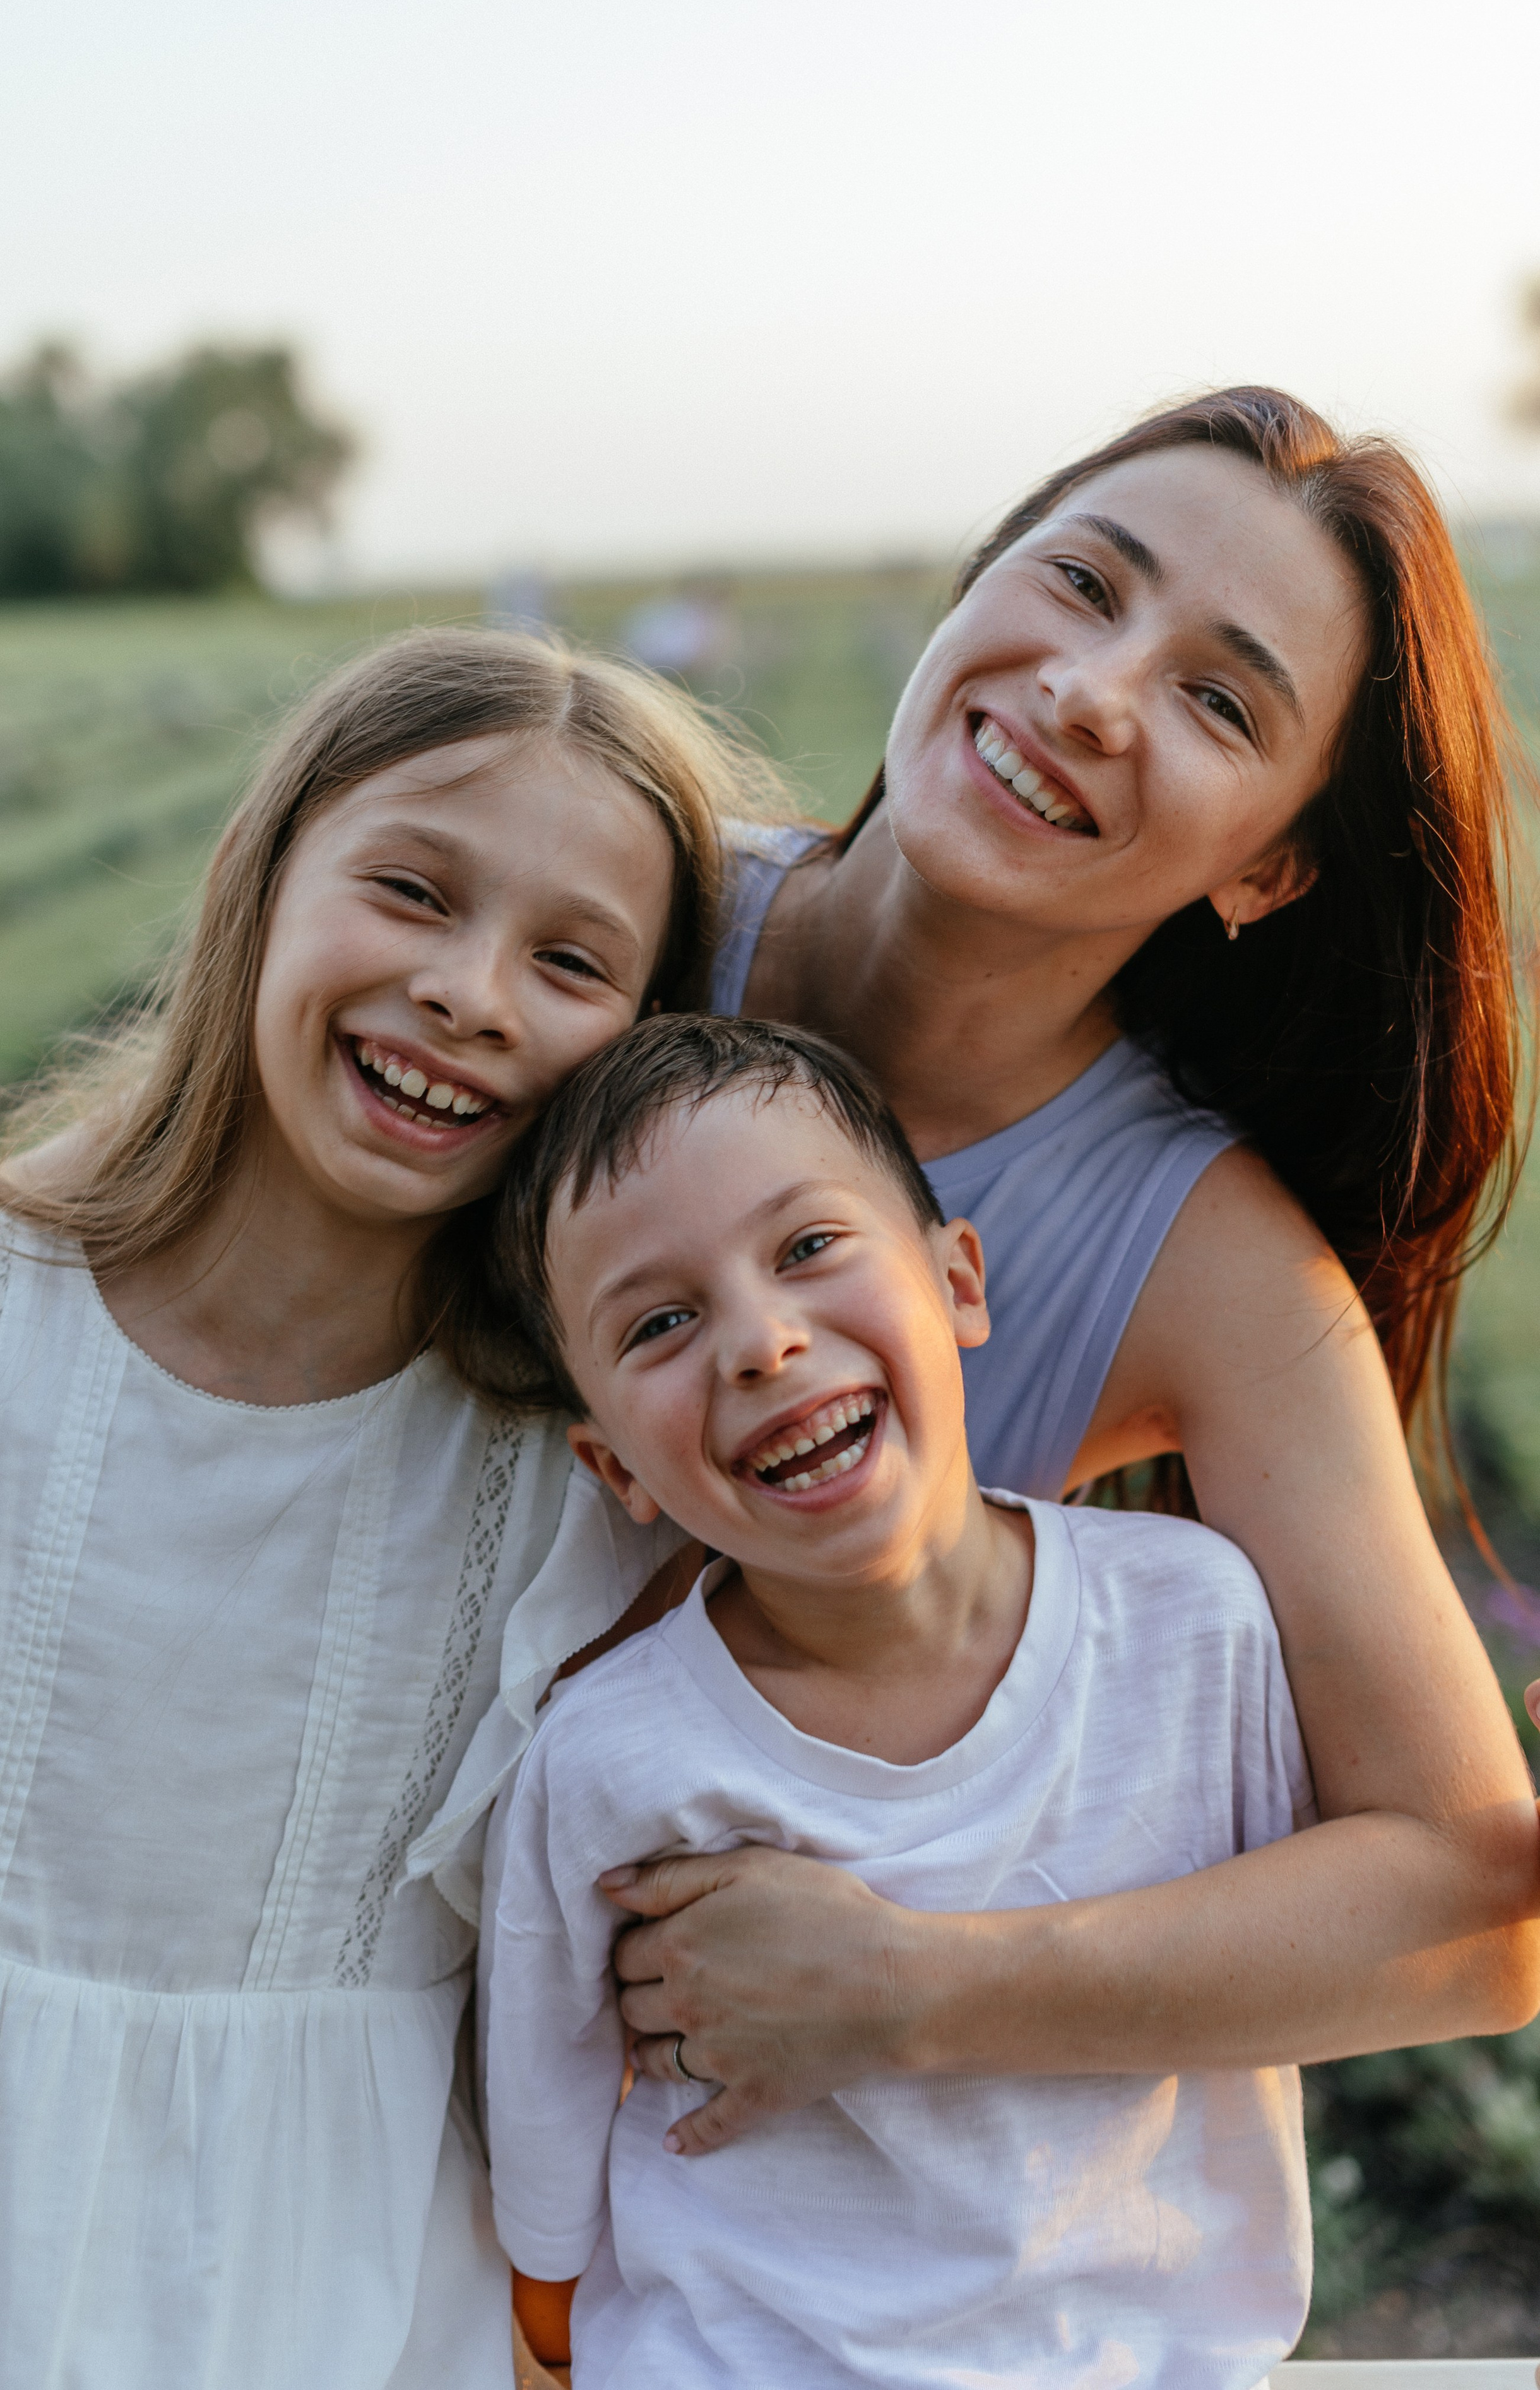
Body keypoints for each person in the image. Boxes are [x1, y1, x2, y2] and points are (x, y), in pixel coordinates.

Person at [413, 389, 1540, 2169]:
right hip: (314, 1985)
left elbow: (1472, 1907)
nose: (1095, 691)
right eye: (1085, 584)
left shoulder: (1207, 1261)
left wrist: (912, 1990)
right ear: (971, 589)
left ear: (1274, 863)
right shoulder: (607, 928)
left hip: (689, 2198)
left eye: (1216, 698)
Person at [0, 626, 768, 2390]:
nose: (471, 992)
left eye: (569, 958)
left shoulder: (585, 1493)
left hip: (327, 2304)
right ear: (262, 879)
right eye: (410, 890)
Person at [480, 1013, 1317, 2386]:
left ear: (957, 1283)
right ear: (614, 1467)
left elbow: (1336, 1920)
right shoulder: (613, 1756)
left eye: (807, 1248)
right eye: (660, 1322)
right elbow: (544, 2131)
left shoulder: (1192, 1621)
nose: (759, 1344)